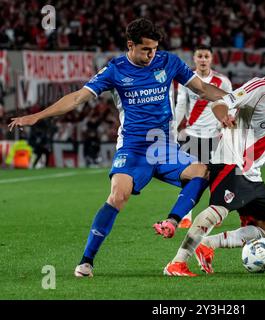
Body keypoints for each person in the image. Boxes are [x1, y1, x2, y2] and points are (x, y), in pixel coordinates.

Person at [8, 18, 227, 278]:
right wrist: (37, 116)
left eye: (154, 48)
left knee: (203, 172)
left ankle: (172, 221)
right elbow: (78, 97)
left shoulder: (168, 62)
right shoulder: (115, 69)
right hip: (133, 148)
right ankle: (86, 261)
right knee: (118, 195)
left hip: (164, 147)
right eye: (146, 49)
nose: (151, 54)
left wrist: (237, 100)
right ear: (130, 45)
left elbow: (202, 88)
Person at [163, 47, 265, 276]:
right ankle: (177, 263)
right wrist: (224, 115)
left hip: (253, 172)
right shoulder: (260, 88)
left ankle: (208, 244)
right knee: (218, 211)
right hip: (230, 161)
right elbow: (222, 102)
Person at [175, 45, 232, 228]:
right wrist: (173, 129)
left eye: (206, 56)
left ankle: (212, 215)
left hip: (215, 136)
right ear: (194, 58)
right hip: (192, 135)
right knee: (189, 176)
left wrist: (227, 128)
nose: (203, 59)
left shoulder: (222, 81)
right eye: (199, 56)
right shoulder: (186, 79)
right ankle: (185, 216)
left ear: (211, 58)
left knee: (215, 177)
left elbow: (231, 105)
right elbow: (180, 105)